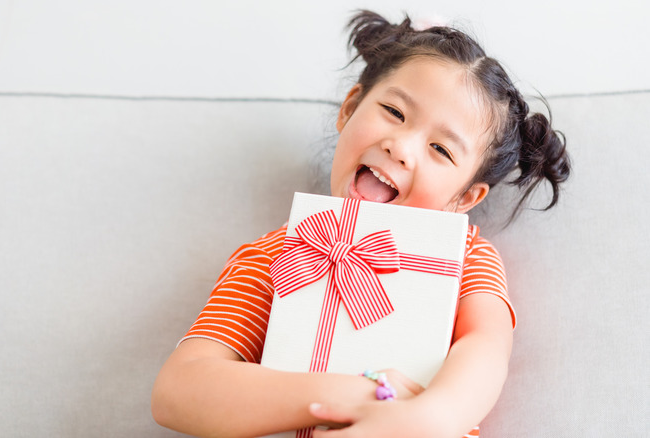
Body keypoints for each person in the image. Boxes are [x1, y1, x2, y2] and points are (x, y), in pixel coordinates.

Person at [151, 9, 570, 438]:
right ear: (350, 109)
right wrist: (362, 395)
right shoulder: (273, 253)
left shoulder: (467, 255)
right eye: (394, 111)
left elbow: (485, 349)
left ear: (464, 198)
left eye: (441, 150)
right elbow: (179, 390)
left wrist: (427, 419)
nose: (401, 147)